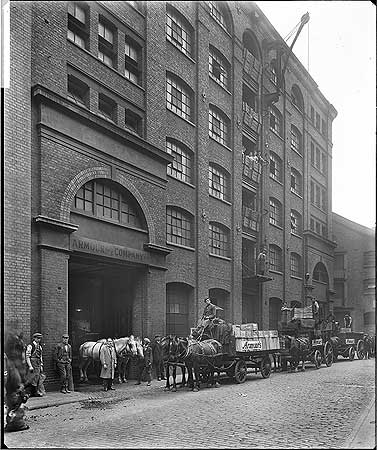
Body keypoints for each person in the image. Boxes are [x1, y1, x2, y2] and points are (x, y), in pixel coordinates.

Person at [24, 332, 45, 397]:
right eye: (37, 338)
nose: (39, 340)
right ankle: (28, 392)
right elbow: (27, 356)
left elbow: (40, 356)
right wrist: (30, 366)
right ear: (34, 338)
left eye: (40, 338)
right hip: (32, 363)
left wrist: (41, 365)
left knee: (37, 378)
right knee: (30, 378)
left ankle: (35, 392)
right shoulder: (30, 346)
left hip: (38, 364)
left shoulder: (40, 347)